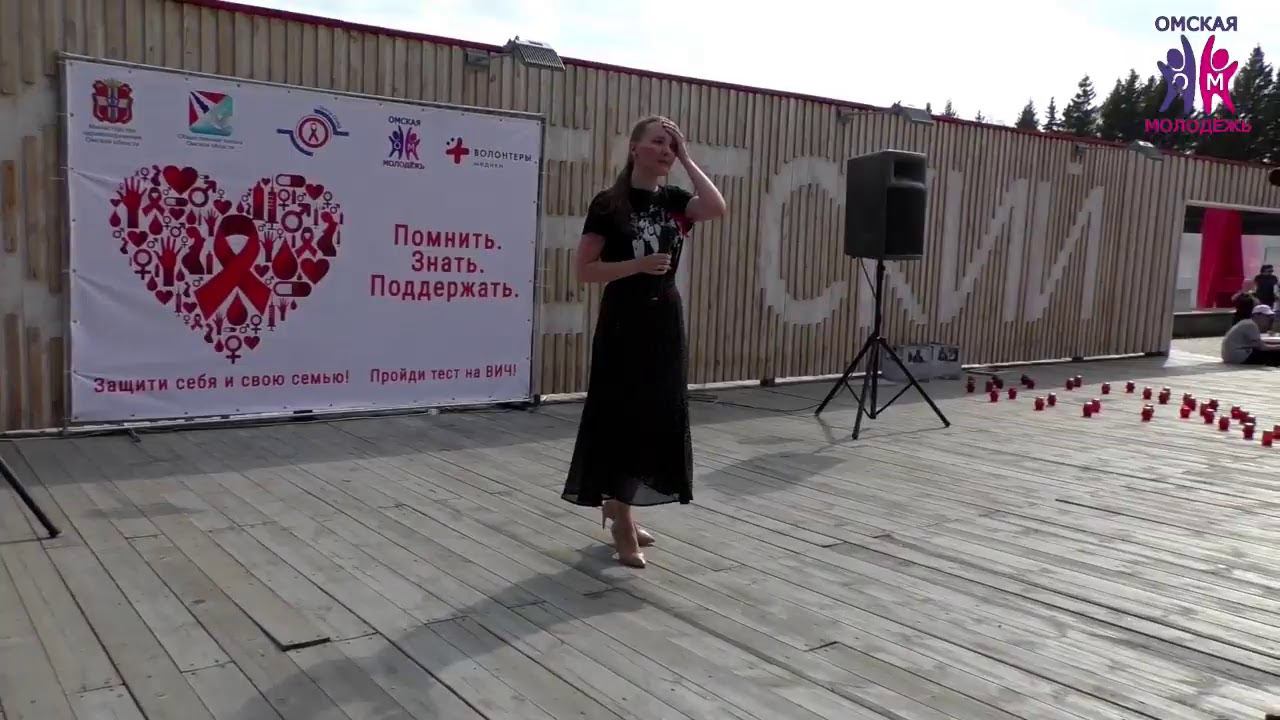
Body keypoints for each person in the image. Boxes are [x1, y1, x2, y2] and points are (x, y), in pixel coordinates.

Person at [561, 115, 727, 568]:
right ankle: (621, 518)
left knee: (656, 416)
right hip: (623, 322)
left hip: (664, 320)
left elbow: (716, 208)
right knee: (622, 416)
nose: (666, 150)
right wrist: (636, 266)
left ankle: (621, 507)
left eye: (672, 145)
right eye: (658, 142)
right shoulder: (609, 203)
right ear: (635, 148)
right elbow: (584, 270)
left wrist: (688, 158)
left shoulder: (675, 200)